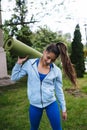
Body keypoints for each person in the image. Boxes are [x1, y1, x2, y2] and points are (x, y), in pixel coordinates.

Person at [11, 42, 77, 130]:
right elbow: (14, 77)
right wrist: (19, 63)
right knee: (34, 128)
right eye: (48, 57)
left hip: (51, 103)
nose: (49, 61)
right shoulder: (30, 64)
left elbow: (59, 91)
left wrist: (63, 108)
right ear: (44, 51)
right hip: (34, 105)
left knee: (58, 128)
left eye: (52, 60)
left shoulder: (56, 71)